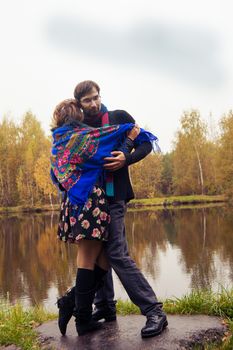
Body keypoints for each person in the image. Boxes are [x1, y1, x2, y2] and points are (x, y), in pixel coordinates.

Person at [57, 80, 168, 339]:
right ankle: (105, 306)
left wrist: (125, 158)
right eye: (87, 100)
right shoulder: (79, 129)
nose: (93, 103)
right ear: (79, 103)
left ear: (100, 96)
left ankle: (154, 311)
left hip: (114, 197)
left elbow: (145, 143)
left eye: (96, 97)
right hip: (89, 201)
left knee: (116, 251)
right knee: (98, 253)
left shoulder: (118, 118)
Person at [51, 99, 142, 336]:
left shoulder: (59, 141)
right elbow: (109, 140)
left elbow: (56, 175)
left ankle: (71, 302)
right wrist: (130, 137)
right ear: (76, 117)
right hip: (87, 201)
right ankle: (82, 320)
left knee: (103, 258)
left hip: (76, 201)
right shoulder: (84, 138)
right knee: (88, 257)